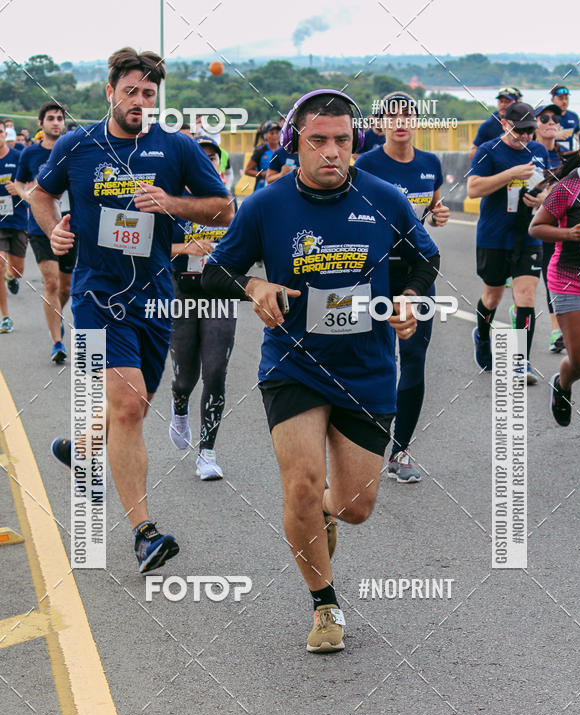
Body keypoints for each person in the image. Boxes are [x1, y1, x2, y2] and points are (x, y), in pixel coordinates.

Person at [202, 89, 439, 653]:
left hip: (368, 367)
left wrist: (407, 297)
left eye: (342, 140)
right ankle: (324, 604)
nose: (332, 151)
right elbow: (215, 272)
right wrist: (254, 284)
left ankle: (326, 513)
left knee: (355, 507)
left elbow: (425, 257)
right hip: (293, 365)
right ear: (296, 143)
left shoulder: (384, 197)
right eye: (319, 140)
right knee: (301, 486)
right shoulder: (266, 204)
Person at [30, 46, 233, 574]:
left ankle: (81, 448)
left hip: (156, 298)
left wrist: (172, 204)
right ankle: (144, 533)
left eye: (148, 93)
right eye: (131, 92)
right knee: (128, 405)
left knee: (136, 408)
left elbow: (222, 207)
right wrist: (55, 228)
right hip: (97, 297)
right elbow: (38, 194)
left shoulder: (178, 148)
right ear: (110, 93)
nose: (140, 101)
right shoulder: (78, 146)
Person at [354, 92, 449, 484]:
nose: (400, 120)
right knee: (371, 360)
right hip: (372, 273)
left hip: (415, 275)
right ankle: (359, 445)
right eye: (391, 114)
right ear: (380, 124)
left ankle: (402, 450)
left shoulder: (430, 164)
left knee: (413, 359)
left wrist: (439, 214)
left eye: (408, 113)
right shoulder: (366, 164)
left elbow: (433, 209)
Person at [468, 101, 550, 384]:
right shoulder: (489, 150)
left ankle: (521, 361)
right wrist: (510, 175)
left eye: (530, 131)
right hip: (494, 235)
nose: (525, 137)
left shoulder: (538, 151)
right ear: (505, 125)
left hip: (528, 235)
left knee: (526, 296)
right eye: (520, 131)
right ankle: (481, 336)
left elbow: (546, 188)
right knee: (492, 298)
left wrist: (542, 199)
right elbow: (473, 188)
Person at [168, 135, 236, 479]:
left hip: (220, 296)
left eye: (213, 157)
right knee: (185, 377)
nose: (207, 162)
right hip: (181, 293)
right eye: (200, 156)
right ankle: (179, 406)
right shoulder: (172, 201)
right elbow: (148, 248)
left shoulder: (230, 205)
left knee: (215, 371)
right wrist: (186, 248)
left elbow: (250, 246)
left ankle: (207, 452)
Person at [529, 120, 580, 427]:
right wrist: (570, 234)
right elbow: (536, 227)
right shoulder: (568, 187)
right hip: (571, 280)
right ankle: (563, 384)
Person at [14, 101, 73, 363]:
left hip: (71, 227)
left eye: (60, 118)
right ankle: (56, 342)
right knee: (50, 282)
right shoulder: (30, 154)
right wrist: (31, 199)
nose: (56, 123)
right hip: (41, 228)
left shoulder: (72, 150)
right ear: (41, 124)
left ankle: (56, 316)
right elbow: (17, 181)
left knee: (66, 287)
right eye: (50, 118)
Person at [531, 103, 564, 353]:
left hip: (562, 228)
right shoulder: (527, 154)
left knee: (560, 279)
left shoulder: (569, 156)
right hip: (533, 229)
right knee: (545, 281)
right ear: (534, 125)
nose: (551, 121)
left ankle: (558, 332)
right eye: (545, 118)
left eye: (555, 118)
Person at [0, 122, 28, 333]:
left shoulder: (18, 157)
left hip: (17, 219)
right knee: (0, 266)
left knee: (17, 270)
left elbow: (31, 186)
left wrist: (19, 190)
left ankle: (12, 278)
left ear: (5, 134)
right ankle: (6, 316)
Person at [469, 88, 520, 159]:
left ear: (517, 103)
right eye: (501, 101)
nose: (503, 104)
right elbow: (472, 152)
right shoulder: (488, 125)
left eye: (507, 101)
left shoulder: (524, 123)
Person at [244, 121, 280, 191]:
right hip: (262, 188)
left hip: (279, 187)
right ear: (265, 135)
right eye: (272, 133)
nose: (275, 136)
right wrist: (262, 174)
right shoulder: (260, 150)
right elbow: (248, 171)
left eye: (277, 133)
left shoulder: (283, 149)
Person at [551, 85, 580, 153]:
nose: (564, 101)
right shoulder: (546, 117)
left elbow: (578, 134)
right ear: (552, 100)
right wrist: (554, 136)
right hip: (551, 155)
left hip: (568, 155)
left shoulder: (574, 116)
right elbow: (536, 137)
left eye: (566, 98)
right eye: (560, 99)